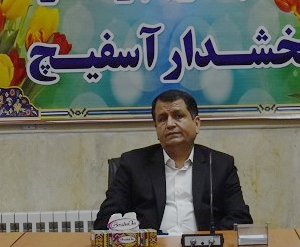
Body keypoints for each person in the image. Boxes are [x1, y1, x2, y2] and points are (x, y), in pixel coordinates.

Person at [95, 89, 252, 233]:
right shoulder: (133, 164)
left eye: (178, 116)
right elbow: (105, 220)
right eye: (162, 119)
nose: (170, 124)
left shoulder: (220, 164)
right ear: (156, 128)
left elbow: (240, 218)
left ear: (196, 124)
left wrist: (207, 239)